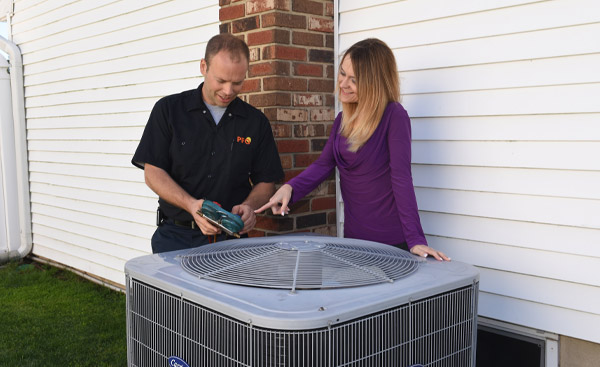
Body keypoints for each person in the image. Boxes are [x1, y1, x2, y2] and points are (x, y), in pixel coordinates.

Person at [255, 38, 449, 261]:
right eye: (342, 73)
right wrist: (290, 188)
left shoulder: (394, 116)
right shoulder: (341, 120)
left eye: (354, 80)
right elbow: (323, 165)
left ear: (373, 83)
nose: (343, 83)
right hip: (354, 241)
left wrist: (416, 240)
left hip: (391, 242)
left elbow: (401, 179)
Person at [132, 33, 284, 253]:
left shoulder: (256, 122)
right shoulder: (168, 110)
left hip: (231, 241)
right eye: (221, 81)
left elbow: (266, 182)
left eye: (237, 82)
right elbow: (153, 173)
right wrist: (191, 205)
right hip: (175, 238)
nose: (228, 91)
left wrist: (250, 207)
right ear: (203, 67)